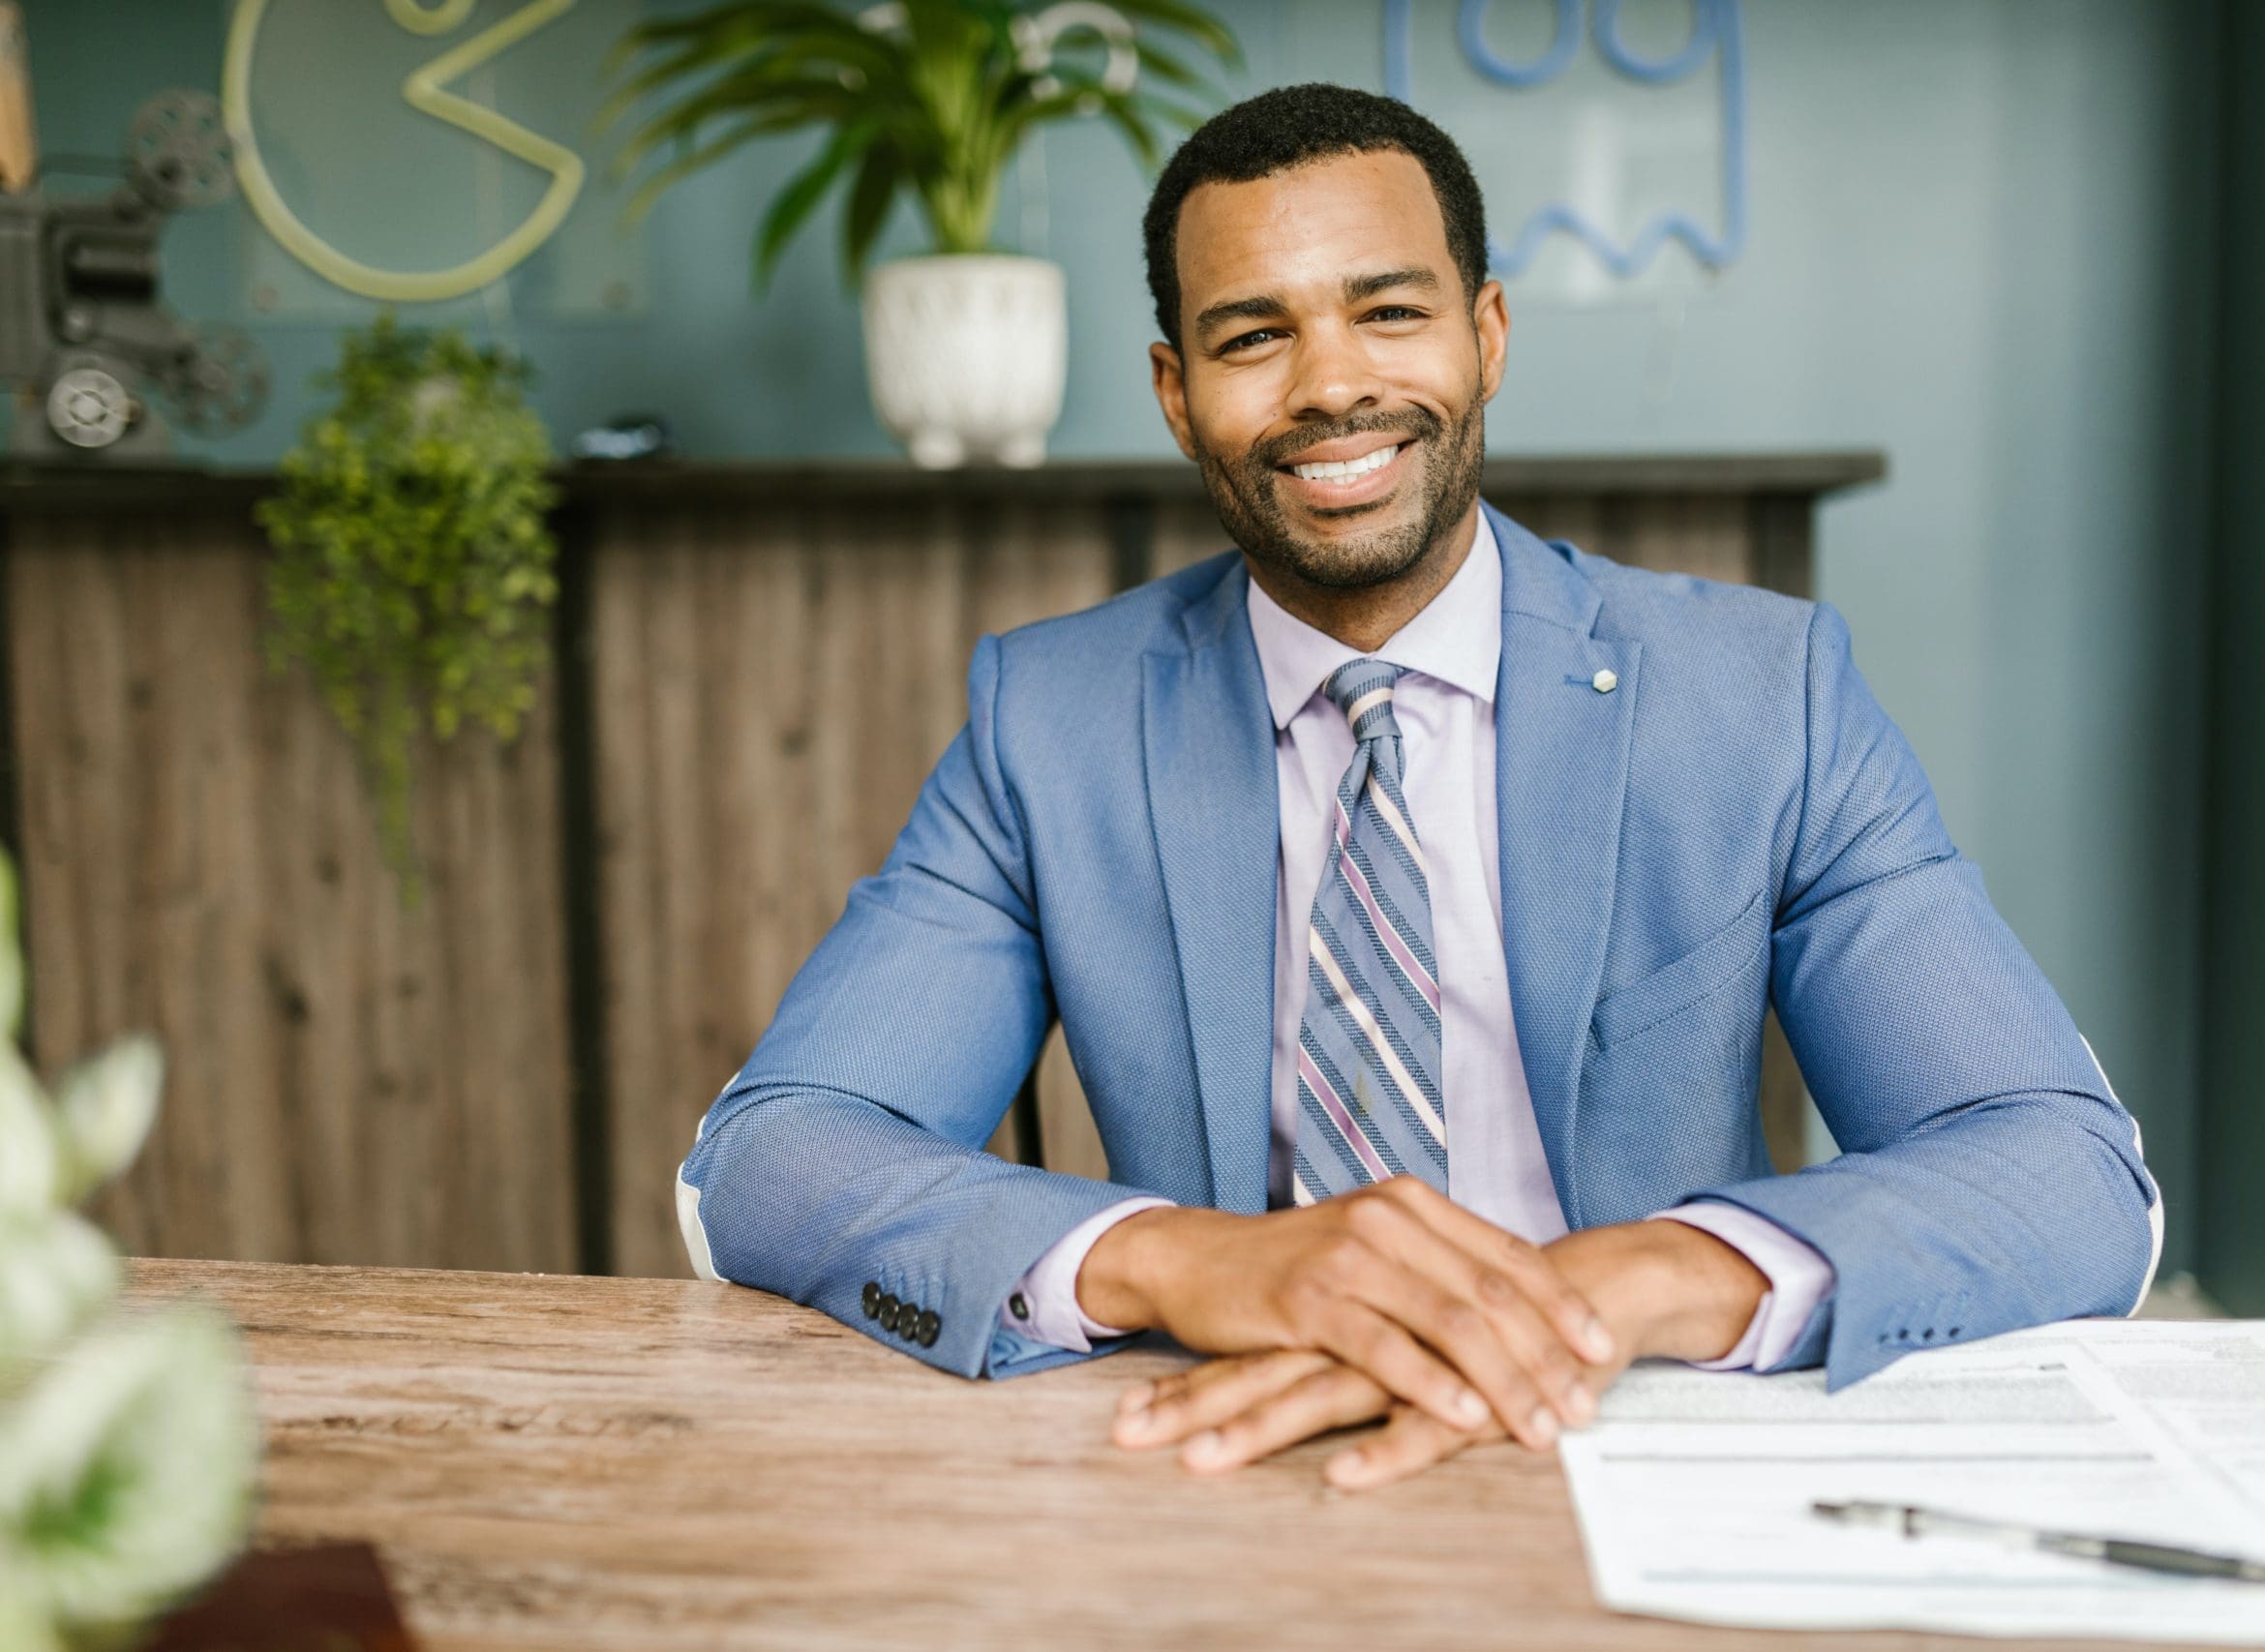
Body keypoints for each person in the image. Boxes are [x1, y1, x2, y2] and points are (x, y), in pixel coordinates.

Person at [676, 82, 2161, 1492]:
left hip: (1643, 1435)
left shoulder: (1765, 696)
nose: (1335, 387)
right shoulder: (1048, 721)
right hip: (1216, 1448)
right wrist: (1197, 1260)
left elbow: (2067, 1173)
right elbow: (767, 1157)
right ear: (1177, 394)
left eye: (1390, 312)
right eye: (1252, 336)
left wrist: (1621, 1282)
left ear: (1488, 333)